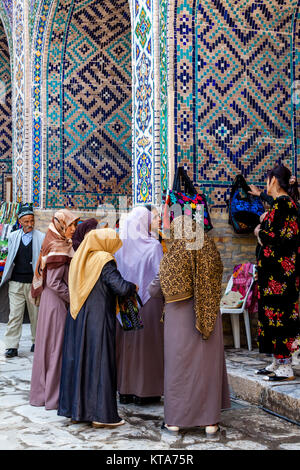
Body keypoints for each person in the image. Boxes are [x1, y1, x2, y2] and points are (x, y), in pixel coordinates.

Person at [148, 216, 231, 437]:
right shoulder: (211, 251)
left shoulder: (174, 256)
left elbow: (154, 291)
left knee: (179, 369)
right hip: (209, 318)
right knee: (207, 370)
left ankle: (175, 422)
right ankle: (210, 424)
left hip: (179, 323)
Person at [58, 228, 137, 428]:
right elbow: (119, 287)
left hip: (78, 317)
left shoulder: (80, 257)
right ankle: (101, 416)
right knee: (101, 364)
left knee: (81, 363)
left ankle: (77, 412)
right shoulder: (103, 260)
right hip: (98, 319)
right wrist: (132, 287)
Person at [253, 164, 300, 381]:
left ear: (273, 180)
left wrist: (260, 232)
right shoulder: (280, 205)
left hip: (281, 277)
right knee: (271, 318)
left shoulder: (284, 205)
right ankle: (277, 361)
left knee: (280, 318)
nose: (266, 184)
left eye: (267, 180)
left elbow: (282, 238)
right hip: (273, 275)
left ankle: (285, 366)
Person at [29, 209, 79, 410]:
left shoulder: (54, 240)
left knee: (47, 347)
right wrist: (73, 298)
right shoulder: (58, 246)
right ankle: (53, 396)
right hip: (56, 303)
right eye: (71, 225)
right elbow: (55, 282)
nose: (74, 229)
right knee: (55, 348)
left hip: (50, 302)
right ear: (61, 225)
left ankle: (42, 394)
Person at [115, 206, 164, 405]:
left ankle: (125, 389)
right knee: (146, 346)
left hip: (125, 300)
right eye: (155, 218)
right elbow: (162, 276)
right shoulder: (153, 246)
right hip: (148, 302)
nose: (158, 221)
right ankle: (146, 391)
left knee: (128, 345)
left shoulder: (120, 245)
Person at [1, 204, 45, 358]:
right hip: (16, 283)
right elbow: (10, 258)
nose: (30, 224)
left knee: (36, 315)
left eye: (32, 221)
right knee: (15, 315)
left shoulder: (41, 237)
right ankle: (12, 346)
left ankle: (36, 342)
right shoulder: (13, 236)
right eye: (26, 221)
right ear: (20, 221)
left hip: (33, 283)